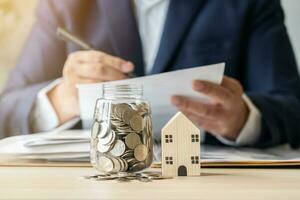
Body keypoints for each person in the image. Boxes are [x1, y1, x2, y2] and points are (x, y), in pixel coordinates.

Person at [0, 0, 299, 148]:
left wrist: (245, 118)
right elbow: (7, 108)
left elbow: (291, 106)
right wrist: (61, 100)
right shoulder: (65, 5)